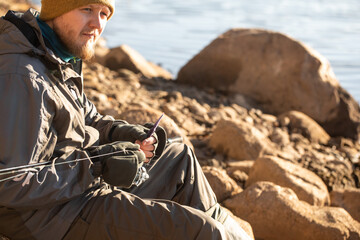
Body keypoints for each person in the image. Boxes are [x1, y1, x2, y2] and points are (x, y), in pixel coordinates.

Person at [0, 0, 252, 239]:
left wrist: (120, 133)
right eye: (86, 9)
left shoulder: (54, 52)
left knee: (180, 160)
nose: (97, 24)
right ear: (56, 9)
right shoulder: (23, 76)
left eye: (104, 14)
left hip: (72, 191)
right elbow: (11, 183)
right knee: (200, 231)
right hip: (47, 218)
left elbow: (86, 117)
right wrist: (98, 166)